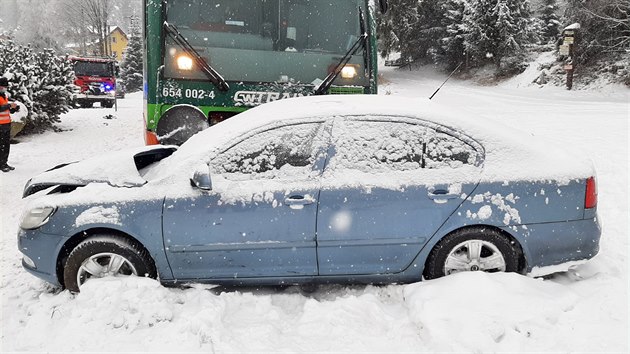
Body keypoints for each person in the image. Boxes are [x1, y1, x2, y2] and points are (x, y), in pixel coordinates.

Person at [0, 76, 19, 172]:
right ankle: (2, 165)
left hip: (6, 124)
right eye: (2, 86)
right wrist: (8, 105)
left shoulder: (4, 96)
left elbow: (6, 110)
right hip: (0, 125)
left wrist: (13, 108)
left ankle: (4, 162)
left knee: (6, 145)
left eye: (5, 87)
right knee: (1, 145)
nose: (4, 88)